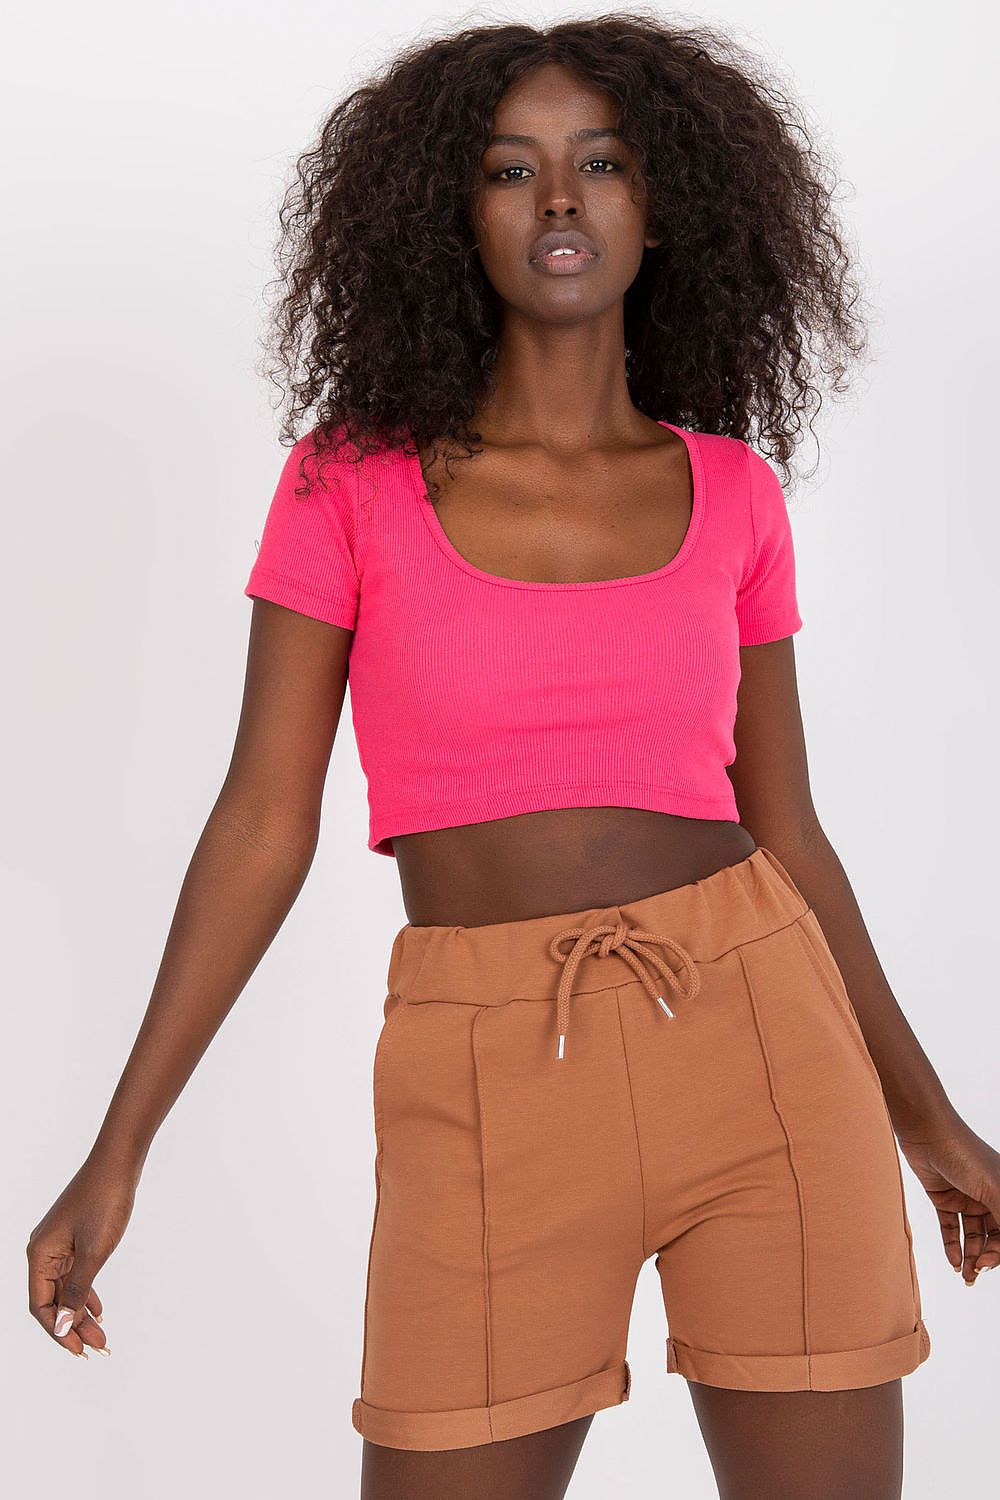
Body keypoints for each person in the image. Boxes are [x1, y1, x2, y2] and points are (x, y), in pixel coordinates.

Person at [27, 15, 999, 1500]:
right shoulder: (348, 483)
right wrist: (121, 1148)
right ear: (452, 213)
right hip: (486, 1069)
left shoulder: (733, 493)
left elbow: (789, 825)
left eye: (602, 163)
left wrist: (929, 1123)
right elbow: (263, 823)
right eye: (509, 169)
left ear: (662, 206)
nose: (559, 200)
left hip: (764, 1038)